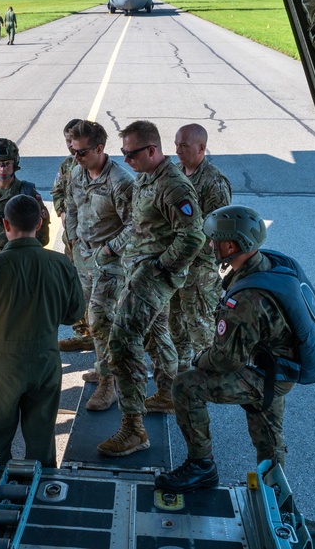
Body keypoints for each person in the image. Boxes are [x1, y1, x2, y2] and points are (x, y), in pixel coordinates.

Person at [157, 206, 295, 493]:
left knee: (185, 386)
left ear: (230, 245)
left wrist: (198, 358)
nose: (210, 244)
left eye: (214, 240)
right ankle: (275, 490)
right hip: (277, 367)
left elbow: (226, 360)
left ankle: (201, 466)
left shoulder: (247, 298)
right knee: (267, 431)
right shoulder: (264, 264)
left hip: (265, 372)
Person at [97, 120, 204, 457]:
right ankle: (168, 393)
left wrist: (161, 266)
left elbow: (194, 236)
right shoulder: (146, 178)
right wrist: (118, 248)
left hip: (152, 276)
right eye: (124, 154)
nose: (126, 160)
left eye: (131, 154)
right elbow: (139, 225)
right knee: (155, 333)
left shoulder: (174, 186)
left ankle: (134, 428)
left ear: (152, 150)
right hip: (138, 269)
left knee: (122, 341)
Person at [0, 195, 84, 468]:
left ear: (5, 224)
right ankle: (41, 498)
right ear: (39, 223)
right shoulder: (62, 265)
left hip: (3, 368)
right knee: (41, 441)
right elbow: (74, 315)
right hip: (46, 362)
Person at [64, 120, 134, 411]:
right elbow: (71, 207)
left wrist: (109, 248)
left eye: (80, 152)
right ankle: (105, 366)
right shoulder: (76, 172)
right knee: (92, 321)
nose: (74, 156)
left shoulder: (121, 181)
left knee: (102, 321)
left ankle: (110, 384)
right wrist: (71, 240)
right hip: (84, 257)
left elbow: (135, 225)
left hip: (111, 263)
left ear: (99, 148)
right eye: (71, 150)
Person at [171, 123, 232, 372]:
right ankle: (182, 374)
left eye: (183, 146)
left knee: (201, 328)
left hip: (199, 273)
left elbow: (220, 234)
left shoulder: (213, 183)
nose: (178, 151)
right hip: (174, 267)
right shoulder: (175, 173)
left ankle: (207, 381)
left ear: (202, 148)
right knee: (175, 324)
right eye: (176, 145)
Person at [52, 119, 94, 353]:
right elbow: (57, 190)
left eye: (74, 141)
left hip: (93, 242)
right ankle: (82, 332)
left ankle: (98, 334)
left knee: (95, 289)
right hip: (72, 241)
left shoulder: (96, 164)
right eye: (67, 141)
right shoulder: (67, 165)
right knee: (73, 286)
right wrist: (60, 210)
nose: (70, 146)